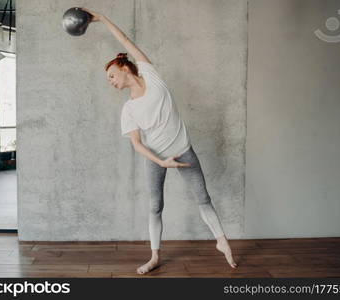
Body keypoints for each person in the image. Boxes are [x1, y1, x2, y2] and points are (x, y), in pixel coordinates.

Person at [83, 7, 238, 275]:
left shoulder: (153, 78)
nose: (109, 81)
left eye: (111, 75)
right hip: (156, 158)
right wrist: (160, 162)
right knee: (156, 206)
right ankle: (154, 257)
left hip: (183, 152)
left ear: (123, 68)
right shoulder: (128, 109)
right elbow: (137, 144)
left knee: (203, 198)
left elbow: (127, 43)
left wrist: (103, 19)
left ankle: (221, 241)